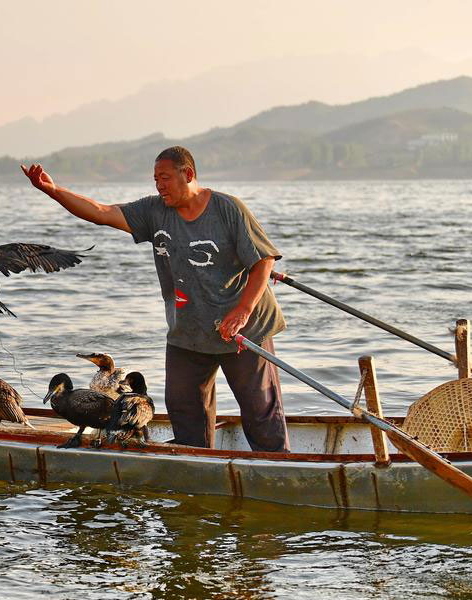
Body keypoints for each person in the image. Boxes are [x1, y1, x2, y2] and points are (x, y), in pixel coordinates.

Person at [21, 146, 289, 452]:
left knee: (259, 409)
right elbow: (100, 212)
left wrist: (243, 310)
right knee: (183, 407)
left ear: (187, 174)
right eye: (155, 179)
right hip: (188, 331)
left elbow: (263, 261)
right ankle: (196, 463)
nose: (159, 185)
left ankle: (278, 466)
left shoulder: (228, 209)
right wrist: (52, 190)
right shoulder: (154, 211)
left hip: (244, 329)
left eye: (165, 177)